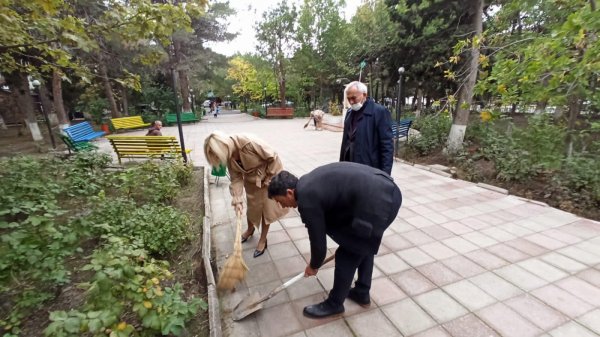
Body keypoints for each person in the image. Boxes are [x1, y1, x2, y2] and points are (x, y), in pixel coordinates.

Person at [268, 162, 402, 319]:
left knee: (348, 254)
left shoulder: (307, 199)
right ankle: (362, 292)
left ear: (289, 193)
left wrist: (314, 265)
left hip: (380, 202)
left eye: (279, 200)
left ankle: (334, 304)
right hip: (386, 191)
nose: (281, 205)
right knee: (362, 245)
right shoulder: (306, 183)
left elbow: (318, 244)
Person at [204, 131, 288, 257]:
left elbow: (273, 157)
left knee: (266, 211)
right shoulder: (228, 154)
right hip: (251, 181)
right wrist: (237, 199)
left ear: (224, 148)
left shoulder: (250, 143)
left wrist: (270, 179)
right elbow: (236, 178)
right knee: (251, 207)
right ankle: (250, 229)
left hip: (266, 180)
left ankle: (263, 239)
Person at [339, 81, 394, 175]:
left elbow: (387, 146)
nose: (351, 102)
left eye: (353, 98)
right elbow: (345, 142)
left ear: (364, 95)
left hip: (369, 168)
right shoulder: (349, 113)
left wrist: (385, 175)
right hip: (349, 165)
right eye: (348, 99)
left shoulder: (379, 112)